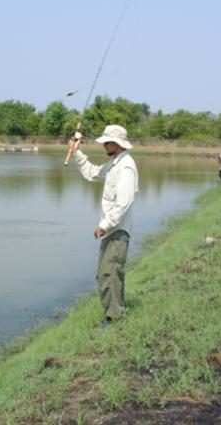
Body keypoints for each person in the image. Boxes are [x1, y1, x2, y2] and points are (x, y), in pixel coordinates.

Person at [68, 125, 139, 328]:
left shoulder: (126, 166)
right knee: (106, 272)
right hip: (111, 229)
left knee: (110, 272)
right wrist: (77, 152)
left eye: (107, 142)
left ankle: (115, 316)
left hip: (117, 229)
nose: (104, 145)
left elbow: (124, 202)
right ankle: (115, 312)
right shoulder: (113, 164)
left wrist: (104, 224)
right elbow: (92, 173)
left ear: (117, 143)